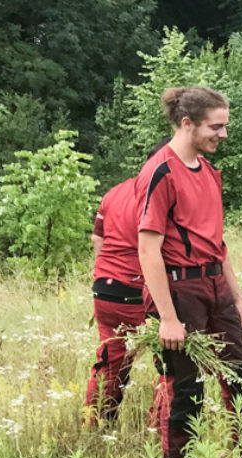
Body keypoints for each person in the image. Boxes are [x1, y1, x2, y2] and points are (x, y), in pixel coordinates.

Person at [137, 86, 242, 458]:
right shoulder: (159, 171)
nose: (223, 135)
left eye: (225, 125)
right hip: (179, 293)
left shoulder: (210, 173)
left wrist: (239, 301)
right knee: (185, 392)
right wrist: (167, 318)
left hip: (216, 290)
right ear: (187, 123)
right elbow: (148, 249)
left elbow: (218, 244)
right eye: (216, 126)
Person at [83, 139, 172, 428]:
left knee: (109, 361)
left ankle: (95, 424)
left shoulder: (114, 192)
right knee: (170, 361)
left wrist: (112, 269)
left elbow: (97, 238)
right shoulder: (157, 194)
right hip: (140, 292)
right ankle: (162, 429)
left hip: (106, 289)